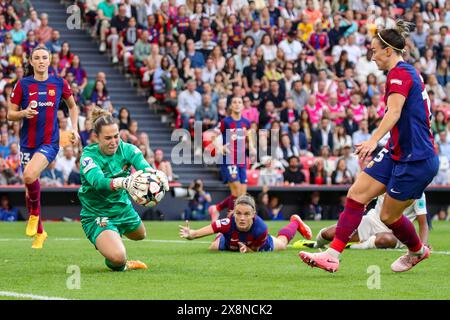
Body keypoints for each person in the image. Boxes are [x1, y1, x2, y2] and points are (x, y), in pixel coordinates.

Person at [299, 21, 440, 273]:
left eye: (375, 50)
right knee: (356, 194)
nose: (372, 56)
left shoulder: (400, 74)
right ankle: (332, 255)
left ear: (388, 50)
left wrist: (373, 140)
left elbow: (394, 112)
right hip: (397, 151)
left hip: (416, 159)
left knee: (388, 217)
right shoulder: (403, 72)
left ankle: (417, 251)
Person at [78, 106, 169, 272]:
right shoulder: (88, 157)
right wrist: (123, 182)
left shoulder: (128, 149)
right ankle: (113, 250)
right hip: (97, 213)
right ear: (96, 137)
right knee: (118, 258)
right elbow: (99, 182)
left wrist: (157, 175)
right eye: (108, 138)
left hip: (122, 207)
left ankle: (112, 236)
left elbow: (144, 167)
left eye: (116, 136)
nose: (113, 142)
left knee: (140, 235)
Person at [7, 46, 80, 249]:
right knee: (28, 189)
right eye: (37, 58)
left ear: (50, 61)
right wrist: (23, 113)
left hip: (50, 142)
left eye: (44, 58)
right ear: (31, 61)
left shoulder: (59, 83)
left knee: (29, 176)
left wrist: (75, 128)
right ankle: (40, 232)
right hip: (26, 144)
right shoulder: (22, 85)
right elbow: (9, 115)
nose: (40, 61)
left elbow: (73, 106)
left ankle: (35, 214)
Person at [179, 194, 312, 252]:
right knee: (213, 247)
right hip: (229, 242)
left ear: (253, 214)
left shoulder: (261, 229)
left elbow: (253, 251)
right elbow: (195, 234)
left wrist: (247, 250)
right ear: (233, 213)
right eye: (238, 213)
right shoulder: (226, 223)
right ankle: (221, 235)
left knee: (282, 244)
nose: (242, 218)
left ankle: (295, 222)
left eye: (247, 214)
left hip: (256, 245)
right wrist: (189, 234)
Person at [296, 193, 430, 251]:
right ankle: (315, 245)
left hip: (396, 232)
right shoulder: (385, 181)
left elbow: (423, 224)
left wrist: (422, 247)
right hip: (371, 221)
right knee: (329, 233)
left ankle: (350, 246)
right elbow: (364, 198)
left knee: (384, 240)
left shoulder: (418, 193)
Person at [208, 96, 255, 220]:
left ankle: (217, 208)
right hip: (228, 159)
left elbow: (249, 136)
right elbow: (213, 136)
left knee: (241, 194)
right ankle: (231, 219)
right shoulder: (226, 122)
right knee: (237, 190)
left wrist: (252, 147)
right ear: (231, 106)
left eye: (240, 102)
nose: (237, 104)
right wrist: (220, 147)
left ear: (243, 106)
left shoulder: (246, 122)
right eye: (234, 102)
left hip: (242, 160)